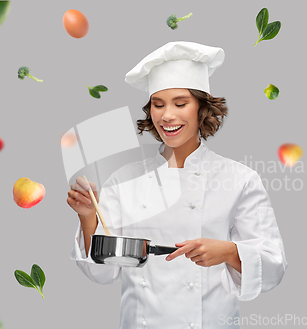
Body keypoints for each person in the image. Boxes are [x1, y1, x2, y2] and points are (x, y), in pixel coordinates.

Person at [67, 41, 287, 329]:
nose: (166, 115)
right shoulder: (125, 179)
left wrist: (228, 252)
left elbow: (273, 268)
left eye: (180, 103)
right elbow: (103, 273)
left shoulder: (239, 179)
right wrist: (88, 218)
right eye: (158, 105)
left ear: (202, 109)